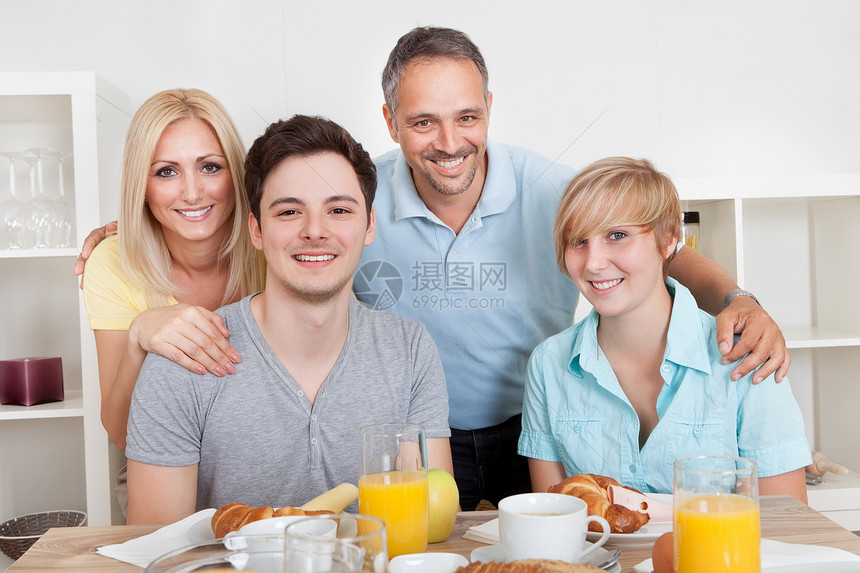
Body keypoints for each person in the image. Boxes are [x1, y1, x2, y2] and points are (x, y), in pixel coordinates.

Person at [354, 26, 792, 510]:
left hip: (536, 425)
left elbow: (666, 254)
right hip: (414, 437)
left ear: (489, 109)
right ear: (391, 122)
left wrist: (740, 302)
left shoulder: (554, 190)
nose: (450, 142)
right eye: (422, 123)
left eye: (467, 116)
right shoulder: (355, 200)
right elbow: (306, 270)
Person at [124, 115, 453, 525]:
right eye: (289, 212)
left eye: (338, 209)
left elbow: (425, 529)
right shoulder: (184, 358)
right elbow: (157, 550)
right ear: (256, 231)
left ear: (369, 226)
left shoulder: (410, 350)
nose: (315, 231)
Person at [519, 157, 810, 501]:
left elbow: (784, 519)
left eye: (617, 235)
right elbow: (556, 522)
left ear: (669, 239)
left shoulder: (746, 354)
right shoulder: (548, 366)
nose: (593, 262)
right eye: (578, 241)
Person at [81, 88, 265, 513]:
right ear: (140, 186)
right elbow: (123, 434)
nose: (193, 192)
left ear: (236, 175)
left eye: (210, 167)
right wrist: (137, 339)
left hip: (265, 458)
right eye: (166, 172)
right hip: (157, 463)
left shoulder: (274, 249)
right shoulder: (112, 263)